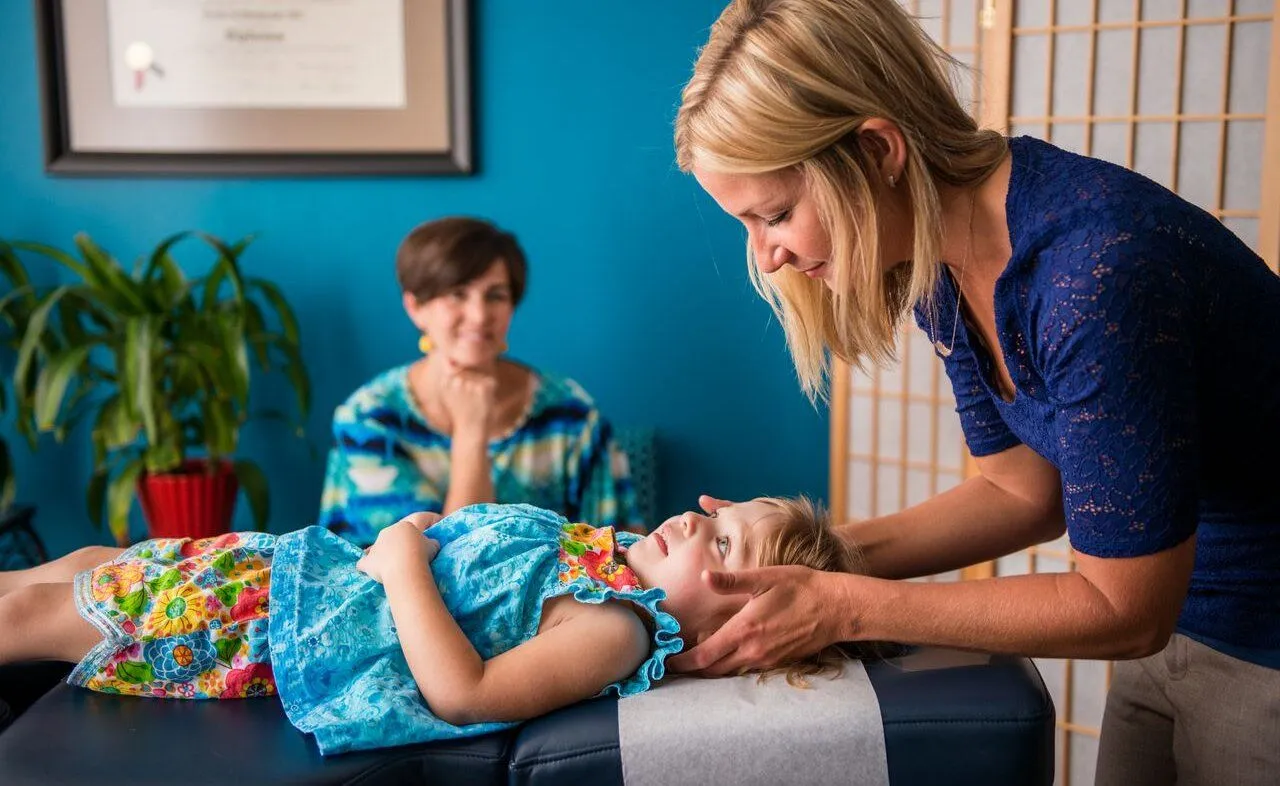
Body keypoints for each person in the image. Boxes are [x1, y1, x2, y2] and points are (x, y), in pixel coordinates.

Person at [667, 1, 1280, 783]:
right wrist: (795, 569)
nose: (771, 257)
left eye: (778, 215)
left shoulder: (1093, 276)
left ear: (878, 148)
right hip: (1179, 617)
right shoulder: (940, 264)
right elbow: (1021, 492)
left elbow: (1125, 609)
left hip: (1261, 639)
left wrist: (844, 604)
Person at [0, 496, 870, 755]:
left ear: (736, 627)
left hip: (265, 625)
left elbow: (464, 691)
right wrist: (422, 535)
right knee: (77, 562)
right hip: (289, 570)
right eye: (712, 511)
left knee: (30, 612)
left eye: (720, 541)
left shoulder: (617, 628)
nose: (694, 518)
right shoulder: (601, 553)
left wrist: (406, 562)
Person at [319, 216, 641, 546]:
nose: (479, 315)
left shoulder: (569, 413)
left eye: (496, 295)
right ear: (416, 308)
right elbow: (434, 570)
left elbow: (618, 554)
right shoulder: (370, 420)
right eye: (458, 294)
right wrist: (472, 430)